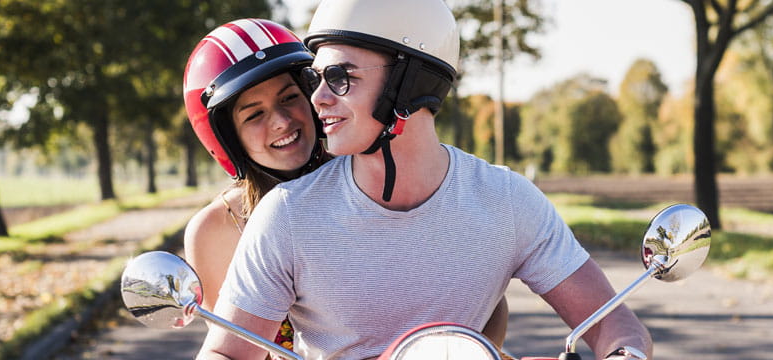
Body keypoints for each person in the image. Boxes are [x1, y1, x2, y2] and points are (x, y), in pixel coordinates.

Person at [198, 1, 652, 359]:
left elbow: (617, 325)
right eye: (317, 77)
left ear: (409, 81)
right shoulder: (288, 215)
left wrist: (624, 354)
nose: (316, 98)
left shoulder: (508, 200)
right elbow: (226, 353)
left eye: (338, 77)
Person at [180, 18, 507, 351]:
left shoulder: (375, 180)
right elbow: (232, 349)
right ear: (227, 138)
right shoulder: (214, 231)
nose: (281, 121)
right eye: (254, 115)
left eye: (290, 98)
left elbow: (487, 303)